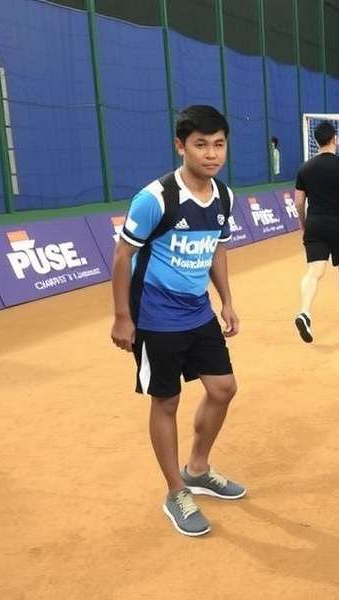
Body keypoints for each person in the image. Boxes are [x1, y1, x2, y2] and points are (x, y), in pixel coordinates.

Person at [110, 105, 245, 537]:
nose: (211, 154)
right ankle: (175, 491)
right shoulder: (156, 198)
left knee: (223, 388)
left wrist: (226, 300)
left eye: (218, 144)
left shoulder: (224, 197)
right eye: (201, 144)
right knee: (165, 402)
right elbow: (122, 255)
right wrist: (121, 318)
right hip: (155, 317)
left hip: (198, 312)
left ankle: (198, 469)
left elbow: (218, 249)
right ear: (180, 146)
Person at [293, 121, 339, 343]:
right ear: (335, 138)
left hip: (315, 225)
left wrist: (303, 225)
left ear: (317, 141)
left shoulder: (305, 168)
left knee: (314, 272)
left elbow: (298, 202)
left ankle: (305, 312)